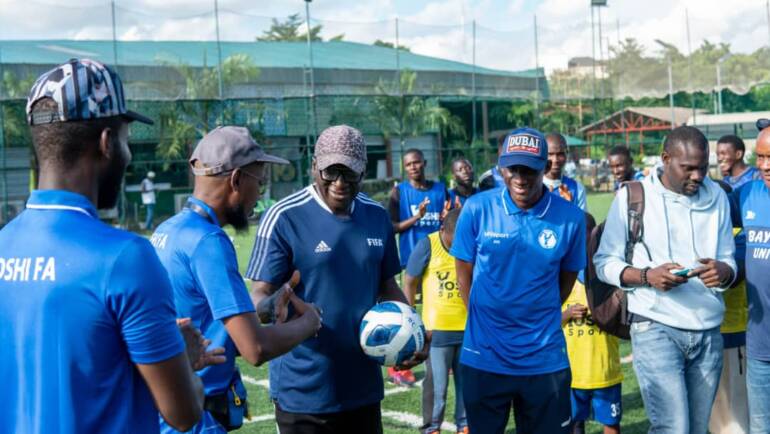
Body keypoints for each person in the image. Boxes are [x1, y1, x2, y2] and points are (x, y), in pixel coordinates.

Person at [0, 58, 218, 433]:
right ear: (106, 143)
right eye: (125, 140)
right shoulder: (125, 258)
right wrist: (182, 357)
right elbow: (183, 413)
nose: (127, 155)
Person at [246, 125, 427, 433]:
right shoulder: (284, 217)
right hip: (303, 392)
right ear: (314, 165)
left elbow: (387, 285)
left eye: (350, 173)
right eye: (331, 172)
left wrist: (414, 332)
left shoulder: (376, 216)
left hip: (363, 388)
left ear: (364, 171)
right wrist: (269, 306)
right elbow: (258, 297)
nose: (340, 182)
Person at [151, 126, 322, 433]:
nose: (260, 193)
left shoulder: (169, 229)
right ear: (236, 179)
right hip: (197, 416)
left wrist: (267, 308)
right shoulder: (209, 242)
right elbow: (253, 348)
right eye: (260, 180)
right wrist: (309, 322)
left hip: (166, 409)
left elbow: (203, 313)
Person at [594, 126, 737, 433]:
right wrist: (647, 276)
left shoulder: (719, 198)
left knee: (697, 429)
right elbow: (604, 263)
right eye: (688, 168)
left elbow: (729, 260)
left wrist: (725, 272)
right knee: (672, 427)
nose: (697, 176)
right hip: (655, 326)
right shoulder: (633, 196)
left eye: (702, 167)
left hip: (708, 330)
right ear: (665, 159)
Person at [451, 127, 587, 433]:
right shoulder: (476, 209)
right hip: (483, 357)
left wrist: (534, 316)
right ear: (502, 166)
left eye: (530, 170)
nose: (521, 178)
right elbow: (464, 277)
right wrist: (488, 320)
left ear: (545, 167)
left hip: (545, 359)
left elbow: (564, 284)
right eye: (513, 169)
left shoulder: (571, 219)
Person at [404, 208, 468, 434]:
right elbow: (409, 282)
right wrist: (410, 321)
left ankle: (464, 426)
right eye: (454, 240)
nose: (458, 246)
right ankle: (431, 428)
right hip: (436, 332)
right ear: (442, 230)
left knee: (466, 386)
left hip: (468, 330)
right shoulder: (427, 245)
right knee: (437, 387)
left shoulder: (470, 245)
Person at [388, 148, 448, 385]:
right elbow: (391, 226)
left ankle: (443, 357)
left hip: (439, 261)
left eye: (417, 163)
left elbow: (448, 220)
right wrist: (417, 218)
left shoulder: (440, 189)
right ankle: (398, 368)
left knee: (437, 312)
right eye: (409, 164)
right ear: (405, 167)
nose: (414, 167)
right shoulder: (399, 192)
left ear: (424, 163)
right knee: (408, 316)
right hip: (410, 263)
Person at [562, 213, 622, 434]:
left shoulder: (608, 274)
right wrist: (567, 314)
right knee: (574, 424)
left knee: (611, 423)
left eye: (584, 232)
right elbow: (546, 320)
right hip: (573, 373)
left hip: (605, 370)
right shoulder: (561, 277)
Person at [731, 128, 770, 433]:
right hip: (759, 344)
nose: (766, 165)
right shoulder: (746, 196)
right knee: (760, 427)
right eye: (761, 157)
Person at [708, 180, 750, 434]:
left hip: (734, 334)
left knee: (736, 415)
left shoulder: (738, 236)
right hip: (705, 335)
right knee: (716, 414)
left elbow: (734, 276)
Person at [544, 133, 587, 210]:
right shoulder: (532, 186)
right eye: (550, 154)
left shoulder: (577, 188)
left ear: (566, 154)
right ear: (542, 155)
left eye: (560, 154)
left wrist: (568, 209)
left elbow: (582, 221)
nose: (555, 160)